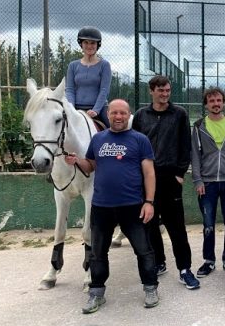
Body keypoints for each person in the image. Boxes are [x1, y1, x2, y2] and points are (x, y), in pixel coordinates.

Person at [64, 99, 158, 313]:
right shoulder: (98, 139)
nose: (118, 117)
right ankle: (96, 293)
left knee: (144, 250)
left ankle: (150, 288)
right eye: (114, 113)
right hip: (101, 207)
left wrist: (149, 202)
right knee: (97, 253)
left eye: (122, 113)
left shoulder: (140, 140)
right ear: (108, 114)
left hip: (133, 206)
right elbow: (91, 165)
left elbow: (149, 173)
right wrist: (77, 161)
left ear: (128, 115)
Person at [132, 75, 200, 290]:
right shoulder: (141, 115)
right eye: (161, 90)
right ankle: (158, 262)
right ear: (151, 91)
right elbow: (135, 146)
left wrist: (180, 173)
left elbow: (185, 146)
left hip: (171, 178)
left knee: (176, 227)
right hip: (146, 179)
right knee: (149, 225)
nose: (165, 94)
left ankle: (185, 269)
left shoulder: (179, 114)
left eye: (168, 90)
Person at [191, 87, 225, 277]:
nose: (216, 104)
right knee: (208, 224)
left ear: (223, 102)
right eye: (212, 101)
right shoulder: (198, 126)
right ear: (206, 104)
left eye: (219, 100)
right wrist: (198, 180)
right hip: (207, 183)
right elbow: (195, 156)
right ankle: (209, 260)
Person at [65, 27, 112, 128]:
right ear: (81, 44)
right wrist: (71, 108)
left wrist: (96, 110)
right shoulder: (73, 65)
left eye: (93, 43)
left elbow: (104, 90)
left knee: (114, 129)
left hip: (99, 109)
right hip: (76, 108)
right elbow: (69, 89)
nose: (89, 46)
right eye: (86, 42)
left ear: (97, 45)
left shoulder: (104, 65)